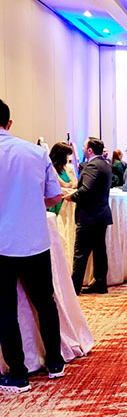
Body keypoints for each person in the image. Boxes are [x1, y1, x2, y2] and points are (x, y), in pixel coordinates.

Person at [0, 98, 66, 393]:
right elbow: (54, 196)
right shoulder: (36, 152)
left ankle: (17, 374)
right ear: (9, 123)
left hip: (1, 245)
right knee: (45, 302)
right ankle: (55, 362)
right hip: (34, 240)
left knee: (5, 310)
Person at [67, 137, 113, 295]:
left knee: (81, 253)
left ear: (90, 150)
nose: (82, 149)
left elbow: (86, 190)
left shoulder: (93, 165)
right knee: (99, 251)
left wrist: (70, 197)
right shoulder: (105, 164)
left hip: (89, 215)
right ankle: (100, 283)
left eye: (84, 147)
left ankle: (74, 287)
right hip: (101, 214)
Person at [48, 142, 78, 215]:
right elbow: (63, 184)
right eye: (67, 156)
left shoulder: (65, 167)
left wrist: (69, 186)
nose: (67, 158)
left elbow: (75, 183)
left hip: (67, 202)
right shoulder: (51, 168)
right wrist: (68, 186)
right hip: (58, 202)